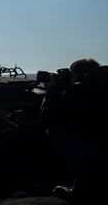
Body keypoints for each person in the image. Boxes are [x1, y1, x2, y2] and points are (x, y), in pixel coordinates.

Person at [40, 57, 108, 202]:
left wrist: (51, 90)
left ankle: (82, 187)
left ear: (77, 74)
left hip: (99, 160)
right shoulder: (100, 86)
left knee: (56, 132)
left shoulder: (80, 89)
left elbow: (49, 120)